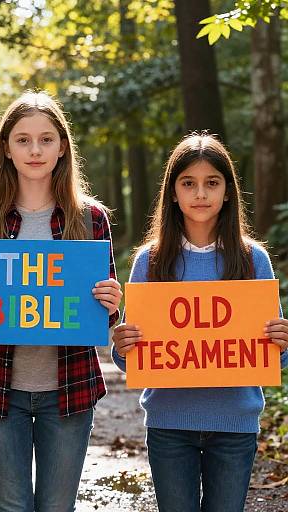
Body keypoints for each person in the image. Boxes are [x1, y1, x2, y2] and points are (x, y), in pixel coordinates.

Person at [0, 90, 122, 512]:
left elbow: (109, 314)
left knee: (58, 507)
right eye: (23, 139)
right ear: (6, 148)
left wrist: (114, 301)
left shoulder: (90, 218)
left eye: (46, 139)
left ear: (62, 147)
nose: (35, 149)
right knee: (10, 507)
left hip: (70, 388)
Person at [112, 133, 288, 512]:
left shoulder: (253, 260)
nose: (200, 193)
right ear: (172, 192)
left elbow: (276, 358)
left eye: (212, 182)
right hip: (169, 424)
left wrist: (283, 341)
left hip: (235, 423)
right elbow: (130, 359)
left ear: (228, 191)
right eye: (188, 183)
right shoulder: (150, 261)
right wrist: (122, 345)